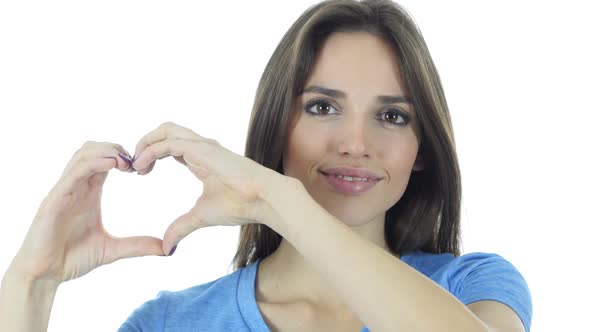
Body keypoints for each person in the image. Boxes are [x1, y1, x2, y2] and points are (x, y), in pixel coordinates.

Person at [0, 0, 533, 331]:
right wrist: (31, 282)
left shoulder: (473, 289)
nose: (356, 142)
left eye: (392, 116)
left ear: (424, 151)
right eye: (323, 107)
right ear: (278, 124)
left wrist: (277, 200)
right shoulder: (169, 325)